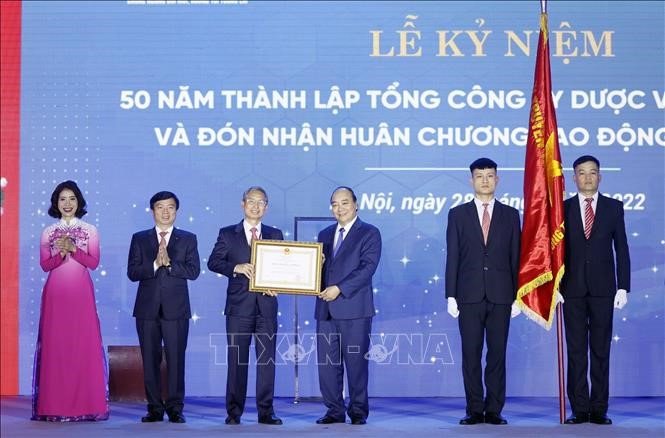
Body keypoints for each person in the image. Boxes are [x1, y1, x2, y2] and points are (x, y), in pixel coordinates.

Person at [445, 158, 521, 425]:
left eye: (490, 176)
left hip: (502, 295)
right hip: (468, 295)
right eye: (480, 176)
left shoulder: (510, 214)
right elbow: (453, 256)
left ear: (497, 180)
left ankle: (494, 410)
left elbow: (516, 257)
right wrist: (451, 295)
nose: (485, 180)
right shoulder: (457, 214)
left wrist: (518, 295)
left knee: (497, 355)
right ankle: (475, 409)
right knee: (471, 354)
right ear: (471, 181)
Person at [561, 155, 630, 426]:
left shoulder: (614, 207)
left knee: (600, 351)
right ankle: (579, 409)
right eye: (582, 172)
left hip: (604, 290)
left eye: (592, 172)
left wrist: (623, 286)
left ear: (600, 176)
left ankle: (599, 408)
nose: (587, 177)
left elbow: (621, 248)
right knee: (576, 351)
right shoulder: (563, 209)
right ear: (574, 177)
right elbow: (554, 252)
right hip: (572, 289)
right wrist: (554, 285)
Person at [32, 180, 109, 421]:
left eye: (72, 199)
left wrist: (74, 249)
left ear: (79, 202)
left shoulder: (90, 230)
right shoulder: (47, 232)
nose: (67, 203)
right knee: (56, 347)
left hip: (81, 294)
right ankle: (54, 406)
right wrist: (61, 252)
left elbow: (93, 263)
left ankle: (86, 406)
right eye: (62, 199)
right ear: (56, 203)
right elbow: (45, 265)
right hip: (55, 294)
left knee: (82, 345)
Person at [207, 186, 284, 425]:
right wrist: (236, 267)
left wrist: (279, 284)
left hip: (267, 307)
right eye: (251, 201)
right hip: (239, 308)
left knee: (267, 363)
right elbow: (213, 262)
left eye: (261, 202)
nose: (255, 206)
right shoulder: (227, 233)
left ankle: (266, 412)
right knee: (237, 362)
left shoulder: (275, 234)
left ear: (266, 207)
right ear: (243, 204)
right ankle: (234, 412)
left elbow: (282, 267)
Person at [127, 191, 200, 424]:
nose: (165, 212)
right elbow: (132, 272)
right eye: (160, 207)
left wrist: (170, 264)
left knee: (176, 360)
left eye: (170, 207)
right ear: (152, 211)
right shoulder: (139, 238)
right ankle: (154, 408)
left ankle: (176, 408)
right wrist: (154, 264)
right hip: (146, 309)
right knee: (150, 360)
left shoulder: (188, 238)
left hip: (176, 309)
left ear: (176, 211)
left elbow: (194, 271)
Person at [315, 186, 381, 425]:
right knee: (327, 365)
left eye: (344, 203)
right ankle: (334, 411)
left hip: (354, 309)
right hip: (325, 309)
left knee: (356, 364)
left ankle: (358, 411)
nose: (339, 208)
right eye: (335, 204)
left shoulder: (369, 233)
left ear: (356, 205)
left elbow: (367, 268)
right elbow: (317, 271)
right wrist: (316, 266)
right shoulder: (324, 234)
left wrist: (340, 288)